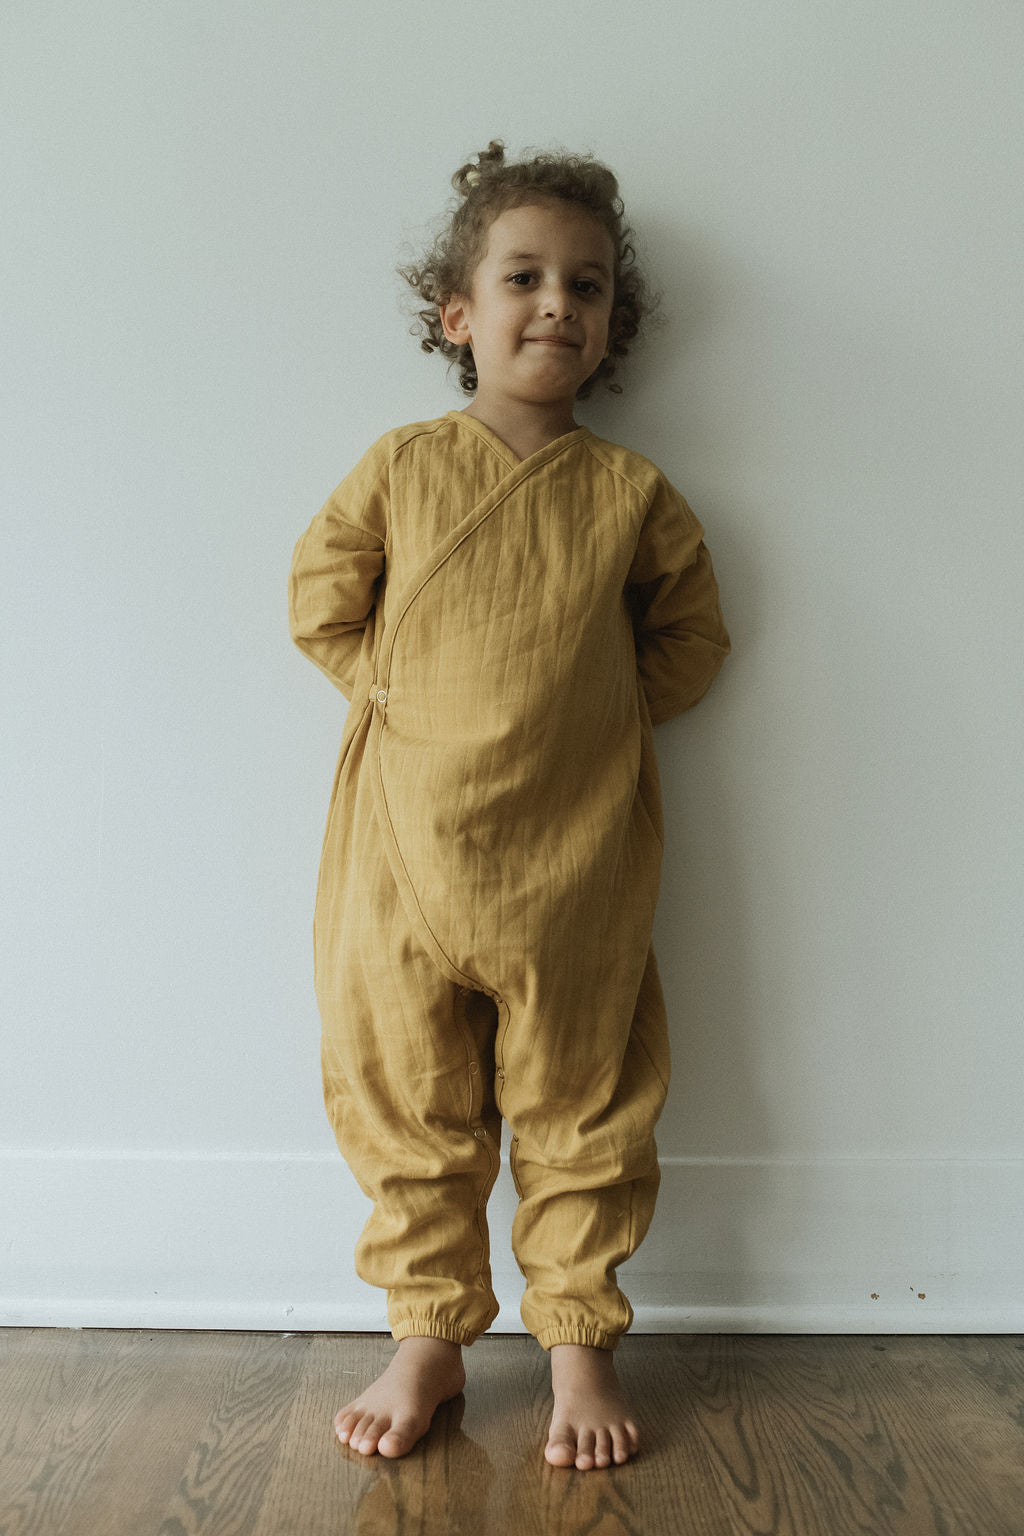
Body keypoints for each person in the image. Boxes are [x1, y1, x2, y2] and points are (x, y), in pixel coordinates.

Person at [288, 139, 730, 1471]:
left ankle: (579, 1342)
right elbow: (320, 604)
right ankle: (426, 1333)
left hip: (575, 866)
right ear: (459, 315)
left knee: (584, 1099)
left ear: (611, 327)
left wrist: (594, 716)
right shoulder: (403, 467)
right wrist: (406, 691)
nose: (557, 305)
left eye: (586, 287)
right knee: (405, 1091)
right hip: (403, 857)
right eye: (524, 277)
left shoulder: (626, 493)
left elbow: (694, 640)